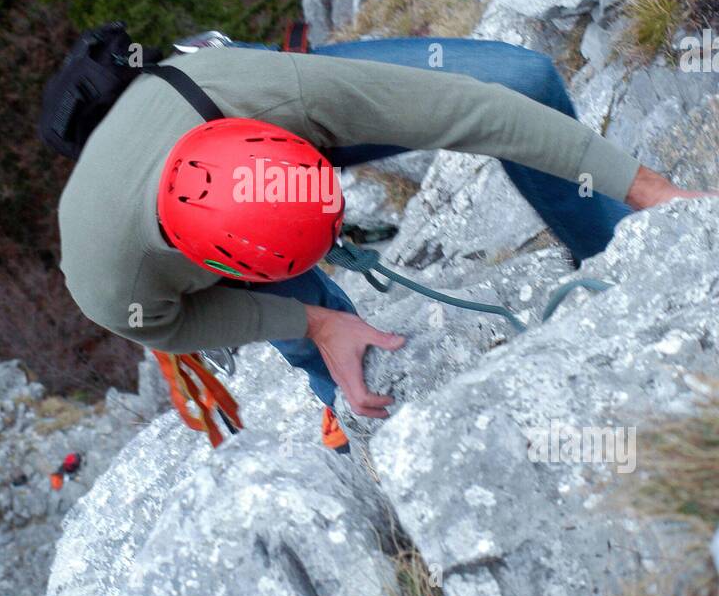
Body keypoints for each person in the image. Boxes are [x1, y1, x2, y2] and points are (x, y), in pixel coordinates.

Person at [57, 36, 710, 440]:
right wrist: (309, 321)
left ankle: (619, 262)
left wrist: (652, 193)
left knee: (524, 80)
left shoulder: (281, 93)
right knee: (330, 338)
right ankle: (352, 415)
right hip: (204, 219)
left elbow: (478, 107)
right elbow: (169, 329)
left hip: (226, 102)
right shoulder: (112, 278)